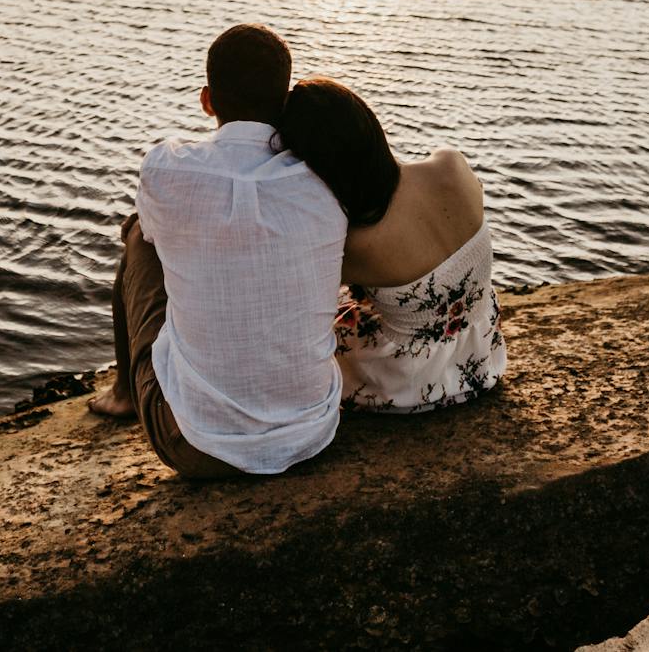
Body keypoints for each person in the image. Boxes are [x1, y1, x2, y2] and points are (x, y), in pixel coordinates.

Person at [87, 24, 348, 477]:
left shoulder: (167, 167)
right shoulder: (323, 178)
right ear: (284, 103)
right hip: (311, 431)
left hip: (193, 445)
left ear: (207, 100)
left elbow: (151, 231)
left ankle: (126, 394)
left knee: (137, 237)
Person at [275, 77, 506, 413]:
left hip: (408, 383)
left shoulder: (355, 243)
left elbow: (296, 305)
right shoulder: (451, 164)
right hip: (482, 356)